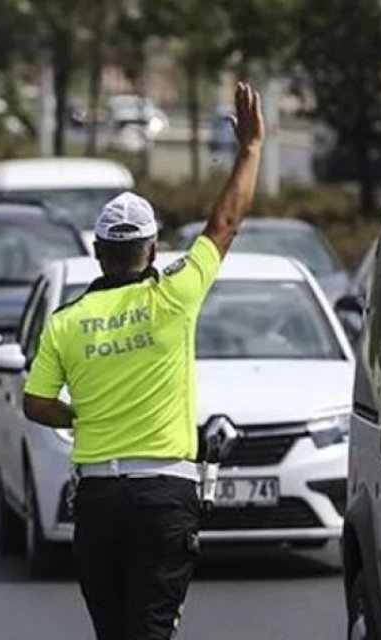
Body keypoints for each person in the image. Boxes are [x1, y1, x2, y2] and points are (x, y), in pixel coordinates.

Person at [21, 81, 265, 640]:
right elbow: (225, 223)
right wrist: (249, 150)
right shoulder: (175, 294)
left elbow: (36, 404)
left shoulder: (66, 321)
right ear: (153, 250)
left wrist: (81, 416)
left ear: (97, 252)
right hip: (164, 496)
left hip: (99, 501)